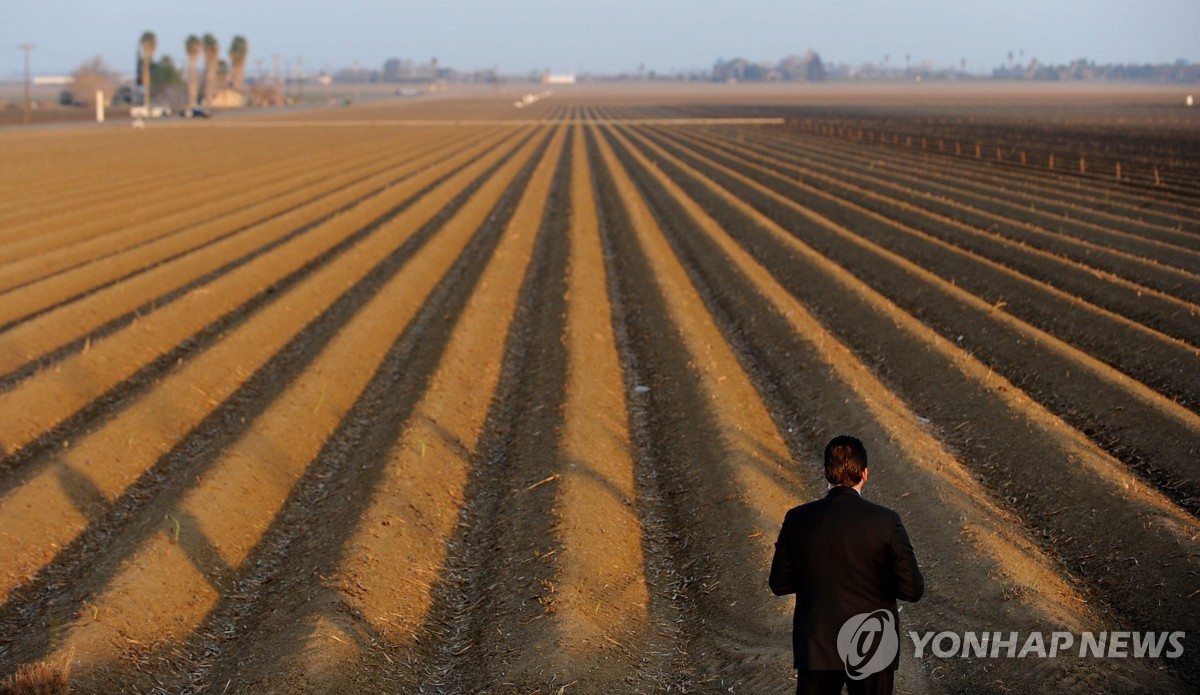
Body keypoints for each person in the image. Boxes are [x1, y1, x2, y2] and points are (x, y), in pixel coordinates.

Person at [769, 435, 924, 695]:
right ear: (865, 474)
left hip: (818, 646)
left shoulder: (798, 519)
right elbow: (912, 590)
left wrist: (814, 577)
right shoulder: (885, 522)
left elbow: (779, 584)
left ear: (825, 473)